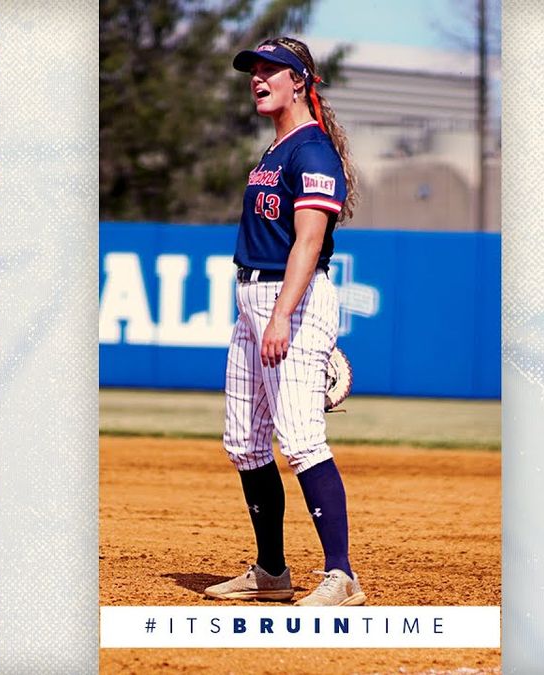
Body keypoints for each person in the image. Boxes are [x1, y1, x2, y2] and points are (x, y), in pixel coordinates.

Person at [202, 37, 365, 606]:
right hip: (253, 300)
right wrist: (260, 316)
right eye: (254, 69)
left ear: (301, 82)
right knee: (245, 442)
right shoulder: (275, 151)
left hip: (288, 301)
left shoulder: (311, 151)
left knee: (299, 439)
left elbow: (309, 241)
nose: (258, 77)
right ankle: (271, 571)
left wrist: (281, 316)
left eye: (272, 69)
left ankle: (341, 576)